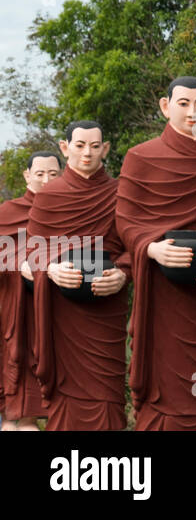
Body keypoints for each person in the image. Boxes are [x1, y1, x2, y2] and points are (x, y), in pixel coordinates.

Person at [116, 76, 196, 430]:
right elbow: (126, 221)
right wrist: (152, 248)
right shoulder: (141, 157)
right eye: (183, 104)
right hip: (163, 297)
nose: (192, 112)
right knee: (169, 400)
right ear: (165, 107)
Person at [27, 121, 130, 430]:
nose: (87, 153)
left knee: (107, 394)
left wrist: (124, 273)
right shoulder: (50, 195)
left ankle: (111, 473)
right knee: (66, 396)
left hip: (106, 310)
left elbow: (133, 243)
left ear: (106, 149)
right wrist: (51, 269)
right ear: (65, 147)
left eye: (95, 146)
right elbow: (33, 252)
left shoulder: (121, 193)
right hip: (64, 313)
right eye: (80, 145)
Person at [0, 152, 60, 430]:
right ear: (27, 176)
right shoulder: (8, 212)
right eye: (40, 174)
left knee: (31, 413)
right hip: (13, 317)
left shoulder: (67, 211)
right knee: (13, 413)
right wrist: (18, 264)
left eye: (53, 174)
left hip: (51, 318)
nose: (47, 181)